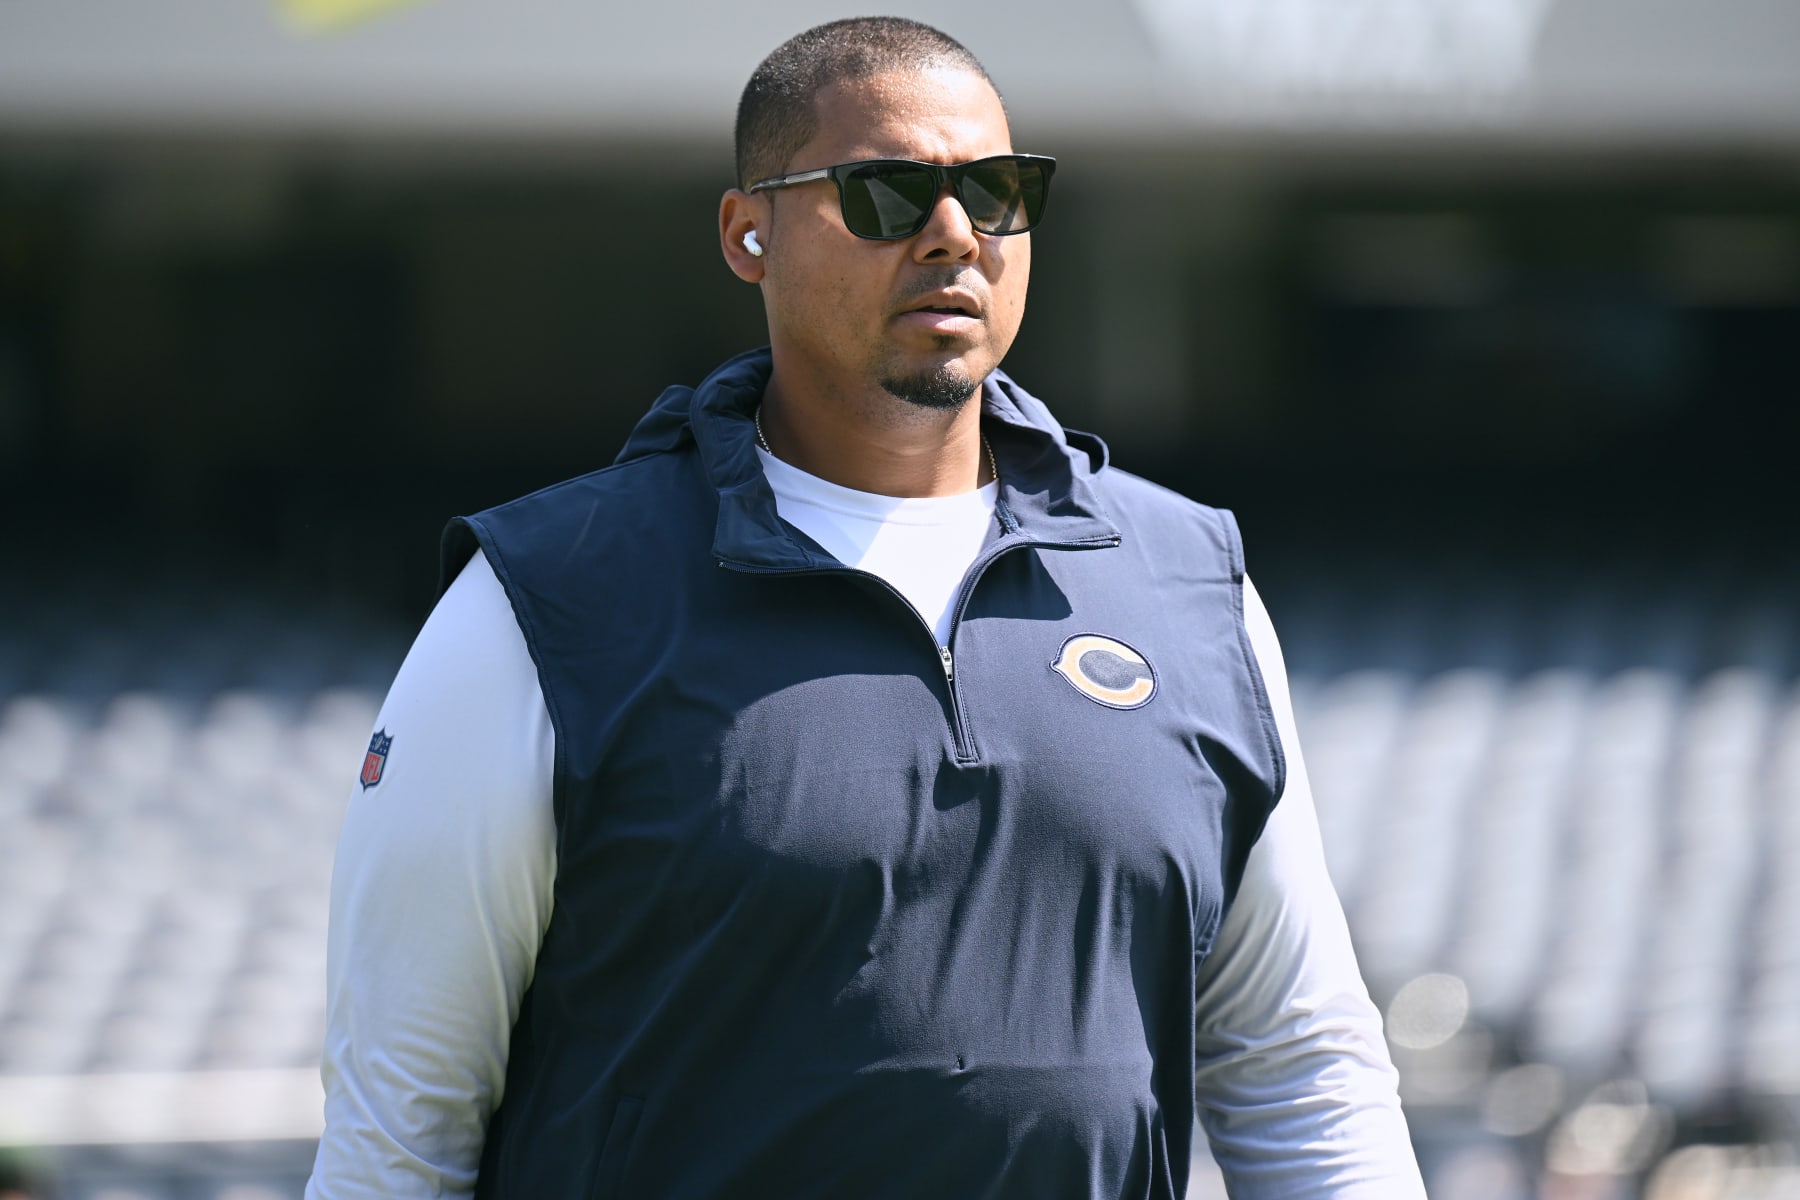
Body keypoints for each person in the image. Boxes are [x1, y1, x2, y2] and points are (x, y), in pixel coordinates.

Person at [307, 16, 1426, 1200]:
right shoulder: (541, 599)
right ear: (747, 232)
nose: (954, 234)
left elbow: (1299, 1065)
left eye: (995, 192)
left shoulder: (1190, 583)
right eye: (885, 191)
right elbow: (398, 1140)